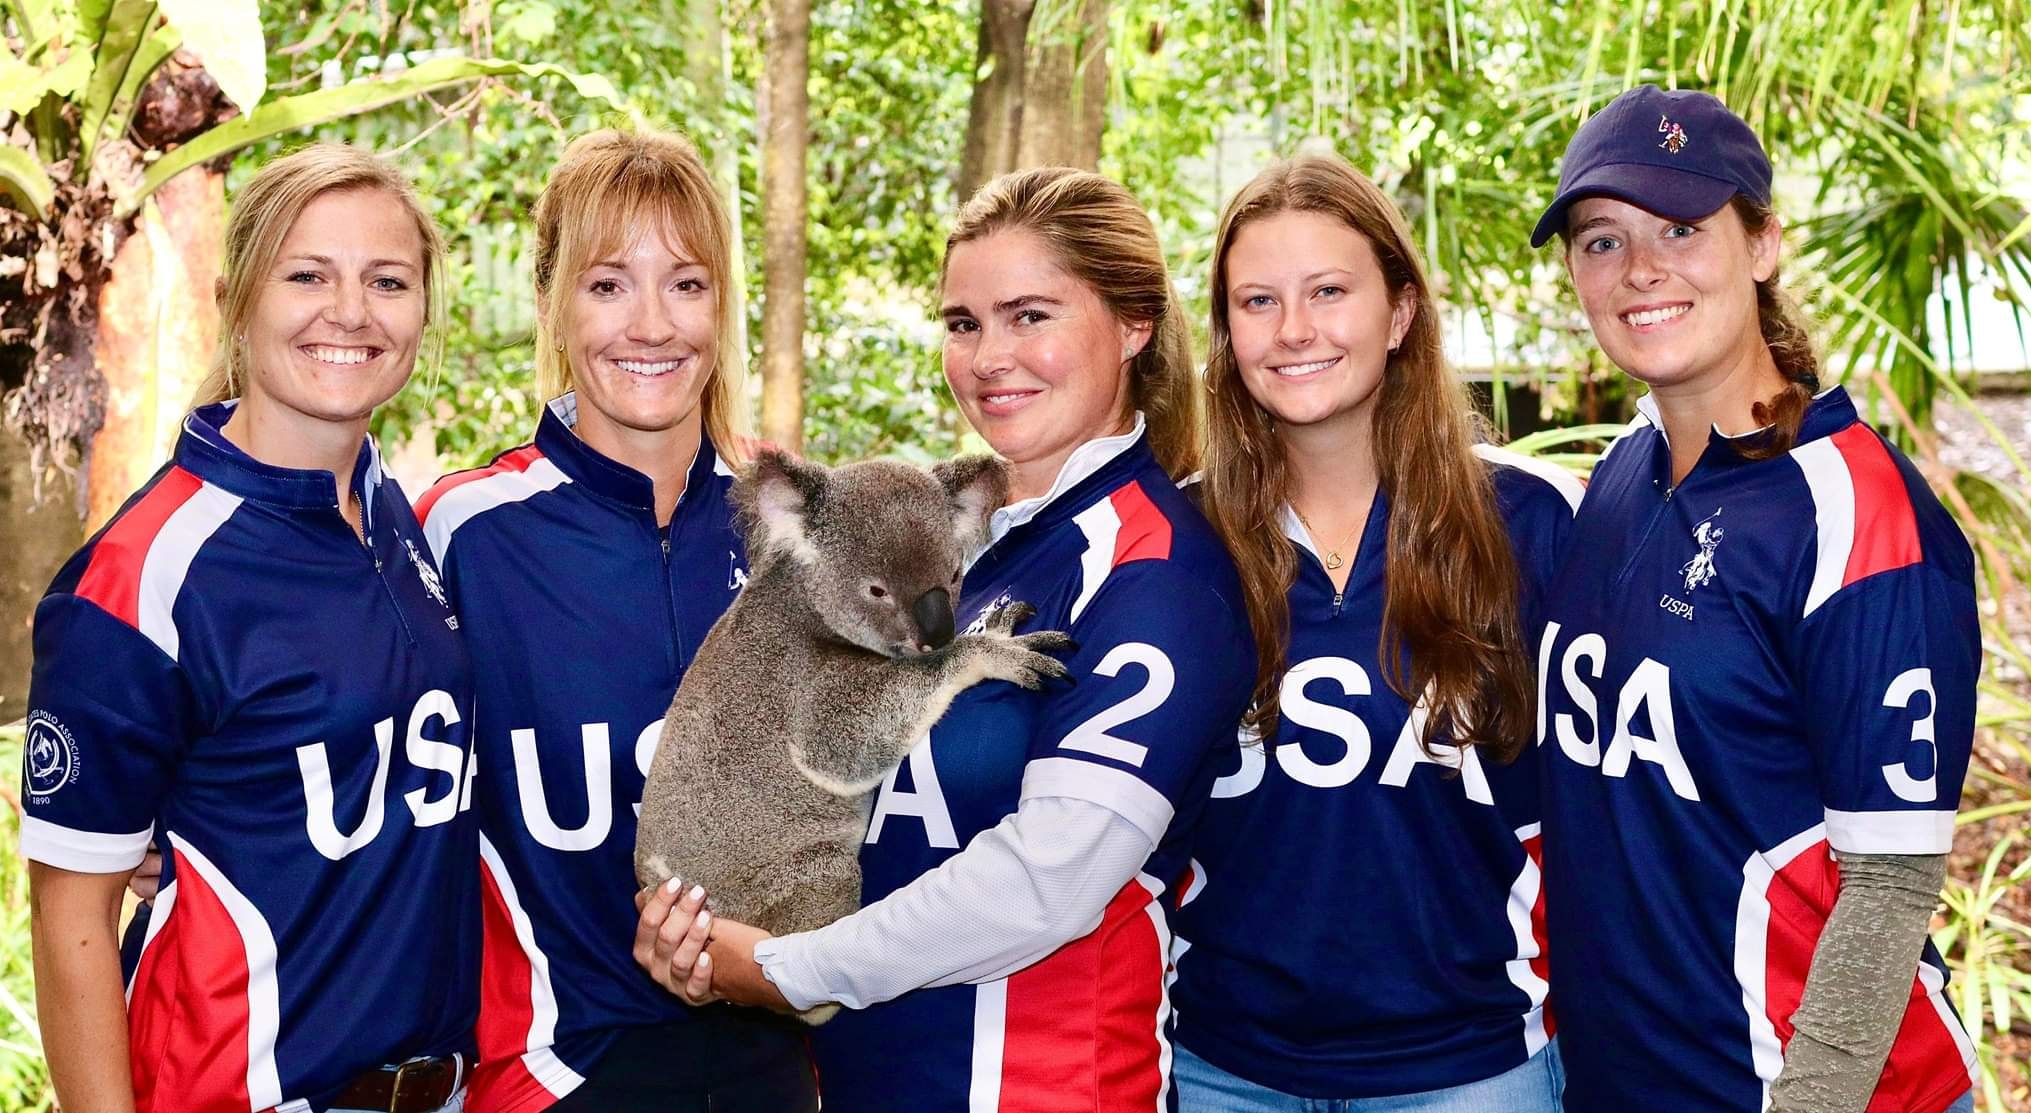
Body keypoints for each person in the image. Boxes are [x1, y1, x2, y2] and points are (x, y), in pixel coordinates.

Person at [635, 165, 1257, 1110]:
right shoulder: (981, 554)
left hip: (1034, 1086)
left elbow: (1044, 882)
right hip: (876, 1073)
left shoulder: (1155, 571)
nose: (990, 355)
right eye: (964, 324)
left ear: (1134, 324)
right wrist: (703, 917)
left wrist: (783, 967)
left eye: (1030, 316)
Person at [1527, 85, 1980, 1113]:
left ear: (1762, 243)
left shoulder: (1853, 510)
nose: (1639, 268)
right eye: (1600, 240)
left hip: (1806, 1089)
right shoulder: (1618, 471)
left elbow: (1888, 888)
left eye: (1681, 229)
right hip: (1623, 1079)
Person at [22, 143, 478, 1113]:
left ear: (423, 309)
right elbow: (70, 919)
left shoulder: (405, 517)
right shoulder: (143, 577)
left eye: (386, 281)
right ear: (239, 299)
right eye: (306, 274)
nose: (349, 312)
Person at [414, 128, 816, 1112]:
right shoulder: (465, 531)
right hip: (556, 1072)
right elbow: (343, 737)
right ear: (552, 299)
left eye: (684, 284)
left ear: (723, 302)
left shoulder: (801, 526)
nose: (649, 325)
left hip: (776, 1068)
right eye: (606, 286)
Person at [1168, 154, 1579, 1110]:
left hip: (1472, 1062)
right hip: (1224, 1064)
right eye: (1258, 301)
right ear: (1226, 332)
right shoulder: (1178, 543)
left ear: (1399, 313)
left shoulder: (1534, 522)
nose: (1294, 330)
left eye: (1328, 291)